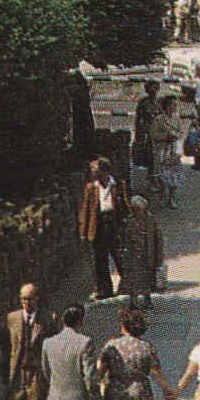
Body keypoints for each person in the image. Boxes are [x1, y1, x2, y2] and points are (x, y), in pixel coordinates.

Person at [5, 284, 59, 400]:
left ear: (38, 299)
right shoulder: (12, 319)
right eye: (23, 299)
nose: (26, 303)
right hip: (18, 372)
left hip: (37, 372)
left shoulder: (49, 318)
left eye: (29, 298)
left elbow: (55, 346)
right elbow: (8, 348)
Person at [78, 158, 128, 301]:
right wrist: (83, 233)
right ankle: (104, 289)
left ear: (106, 172)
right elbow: (85, 211)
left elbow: (125, 206)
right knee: (100, 259)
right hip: (99, 225)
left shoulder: (118, 185)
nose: (95, 176)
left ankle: (127, 284)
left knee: (119, 255)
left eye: (98, 173)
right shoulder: (91, 188)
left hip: (114, 224)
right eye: (94, 173)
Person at [118, 196, 164, 309]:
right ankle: (133, 300)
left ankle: (147, 298)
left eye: (141, 210)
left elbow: (158, 238)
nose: (139, 213)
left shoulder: (152, 220)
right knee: (132, 278)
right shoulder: (128, 222)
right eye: (136, 210)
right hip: (133, 254)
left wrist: (159, 254)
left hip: (148, 254)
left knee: (148, 277)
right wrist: (122, 253)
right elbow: (123, 239)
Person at [151, 95, 186, 210]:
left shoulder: (177, 118)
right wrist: (165, 137)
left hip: (174, 150)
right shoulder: (159, 119)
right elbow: (153, 134)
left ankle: (172, 197)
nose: (175, 107)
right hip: (162, 150)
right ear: (167, 106)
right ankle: (162, 195)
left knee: (174, 175)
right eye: (173, 104)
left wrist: (175, 136)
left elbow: (181, 132)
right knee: (162, 175)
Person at [132, 81, 161, 192]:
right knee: (150, 158)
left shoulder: (159, 102)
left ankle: (158, 179)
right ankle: (152, 181)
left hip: (159, 131)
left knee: (159, 157)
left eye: (155, 87)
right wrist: (138, 133)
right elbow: (138, 119)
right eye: (150, 88)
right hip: (147, 132)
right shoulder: (143, 103)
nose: (153, 90)